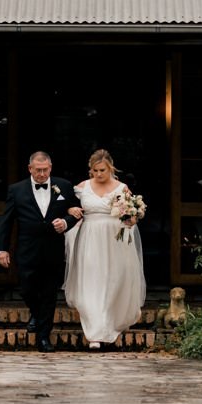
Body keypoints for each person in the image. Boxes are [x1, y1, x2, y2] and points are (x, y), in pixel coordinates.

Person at [0, 150, 80, 351]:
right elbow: (6, 223)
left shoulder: (64, 186)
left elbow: (77, 211)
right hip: (27, 248)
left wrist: (66, 223)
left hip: (53, 248)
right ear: (30, 169)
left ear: (50, 168)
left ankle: (44, 338)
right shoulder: (16, 190)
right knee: (27, 288)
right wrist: (2, 249)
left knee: (50, 293)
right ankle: (37, 314)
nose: (42, 174)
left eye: (45, 170)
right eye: (38, 170)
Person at [63, 148, 145, 350]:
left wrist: (133, 217)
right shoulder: (82, 187)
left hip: (114, 240)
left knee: (113, 279)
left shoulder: (122, 187)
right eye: (95, 171)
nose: (98, 174)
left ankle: (109, 323)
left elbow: (130, 214)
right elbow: (66, 205)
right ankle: (95, 333)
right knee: (92, 280)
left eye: (102, 170)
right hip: (90, 238)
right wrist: (70, 209)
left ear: (110, 168)